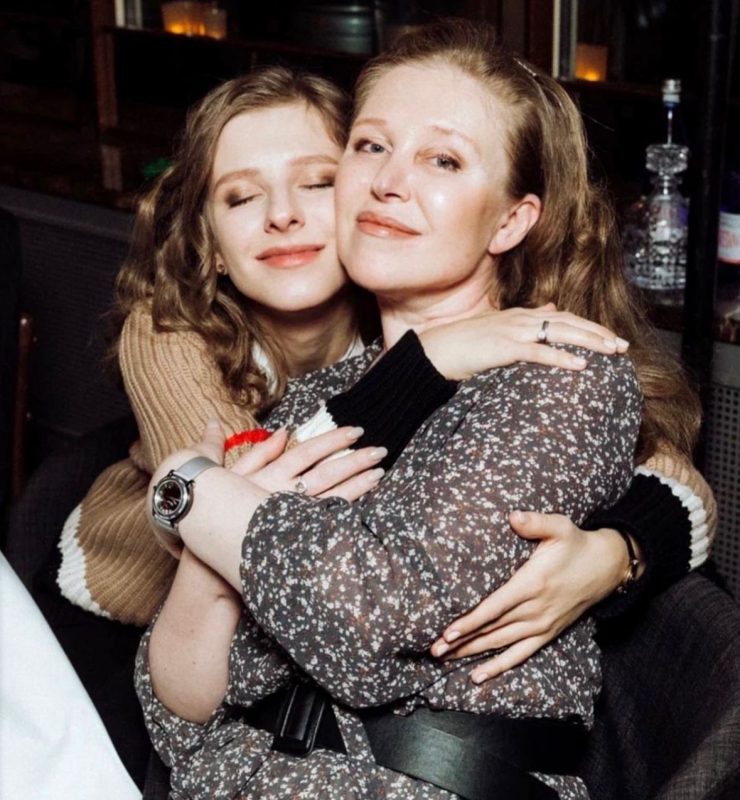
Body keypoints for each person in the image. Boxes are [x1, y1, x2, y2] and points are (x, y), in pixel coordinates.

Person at [37, 65, 702, 789]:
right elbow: (181, 710)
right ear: (209, 247)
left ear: (512, 220)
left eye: (442, 159)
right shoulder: (202, 350)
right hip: (105, 603)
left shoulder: (554, 371)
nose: (388, 182)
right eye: (372, 147)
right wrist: (196, 494)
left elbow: (356, 608)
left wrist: (623, 548)